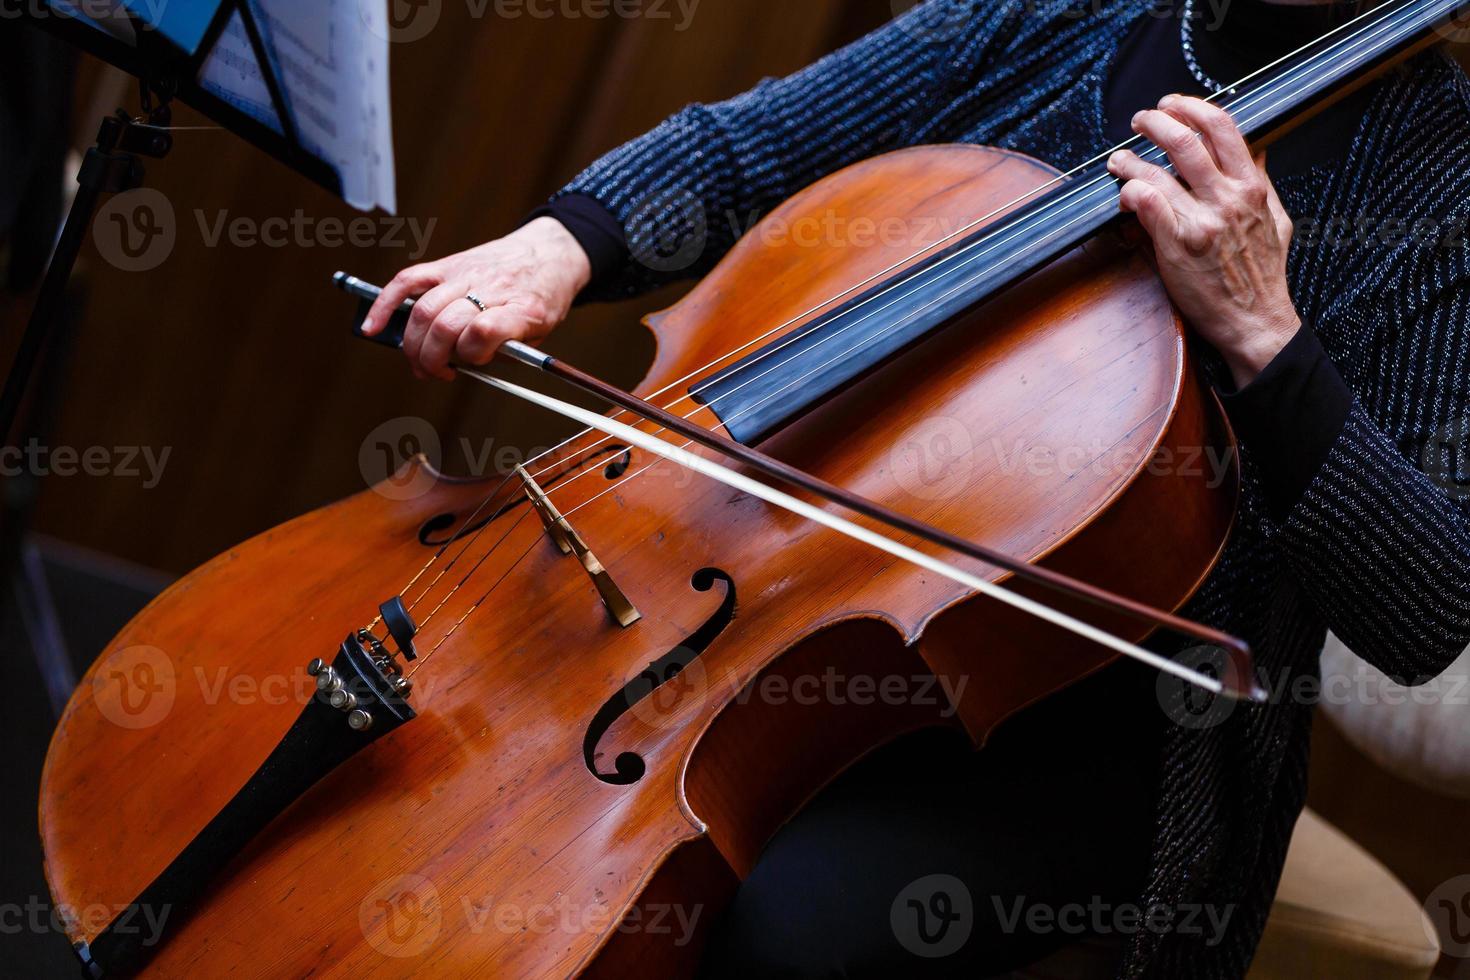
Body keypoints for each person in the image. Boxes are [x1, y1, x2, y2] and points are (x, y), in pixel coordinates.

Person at [365, 0, 1470, 974]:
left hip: (1094, 713)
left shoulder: (1444, 188)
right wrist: (558, 248)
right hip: (802, 569)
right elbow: (753, 144)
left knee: (795, 927)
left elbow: (1424, 604)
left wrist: (1263, 334)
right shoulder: (1068, 11)